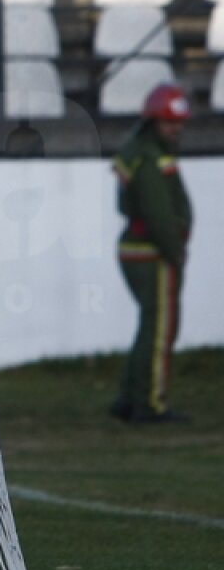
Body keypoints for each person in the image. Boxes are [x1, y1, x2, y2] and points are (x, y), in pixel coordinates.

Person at [109, 82, 193, 424]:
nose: (175, 129)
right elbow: (159, 215)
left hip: (141, 250)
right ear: (153, 121)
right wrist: (176, 252)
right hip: (152, 254)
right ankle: (150, 404)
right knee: (160, 331)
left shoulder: (143, 151)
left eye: (178, 122)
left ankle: (129, 398)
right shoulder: (150, 159)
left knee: (149, 327)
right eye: (169, 122)